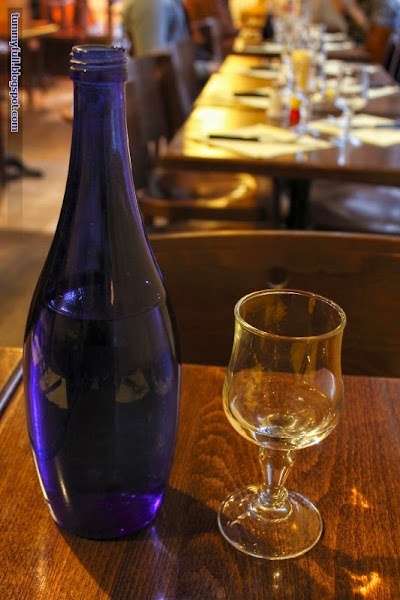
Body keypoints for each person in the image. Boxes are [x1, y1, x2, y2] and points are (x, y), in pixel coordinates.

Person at [122, 0, 191, 56]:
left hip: (144, 62)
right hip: (171, 58)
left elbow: (128, 36)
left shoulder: (129, 3)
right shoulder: (170, 3)